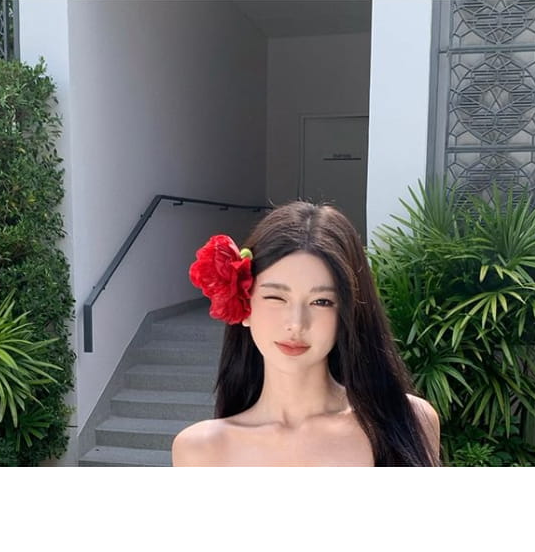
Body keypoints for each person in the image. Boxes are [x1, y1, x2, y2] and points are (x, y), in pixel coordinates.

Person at [172, 200, 440, 466]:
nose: (296, 324)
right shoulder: (200, 449)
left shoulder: (408, 421)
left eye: (321, 302)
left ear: (347, 314)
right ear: (244, 305)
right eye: (276, 297)